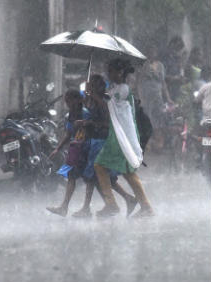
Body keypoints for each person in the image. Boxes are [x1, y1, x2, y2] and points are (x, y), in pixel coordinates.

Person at [94, 59, 154, 218]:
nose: (109, 74)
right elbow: (105, 100)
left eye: (112, 71)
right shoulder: (113, 87)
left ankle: (144, 207)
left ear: (120, 72)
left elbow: (108, 105)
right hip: (116, 135)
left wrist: (93, 95)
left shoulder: (125, 89)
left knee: (126, 171)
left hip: (123, 137)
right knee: (104, 166)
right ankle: (113, 203)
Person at [73, 74, 138, 218]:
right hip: (95, 140)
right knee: (100, 177)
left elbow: (108, 122)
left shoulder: (106, 100)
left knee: (93, 176)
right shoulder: (93, 100)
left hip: (102, 141)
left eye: (93, 85)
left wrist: (90, 123)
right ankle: (125, 199)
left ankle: (89, 208)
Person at [46, 89, 89, 217]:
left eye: (69, 100)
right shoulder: (69, 115)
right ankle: (65, 207)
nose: (67, 103)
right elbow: (68, 134)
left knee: (90, 179)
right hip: (75, 150)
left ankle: (86, 208)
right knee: (72, 176)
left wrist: (83, 126)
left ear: (77, 100)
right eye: (66, 101)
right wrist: (58, 148)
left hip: (86, 149)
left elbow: (91, 130)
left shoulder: (85, 114)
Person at [138, 46, 174, 152]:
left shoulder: (160, 66)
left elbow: (163, 83)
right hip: (146, 97)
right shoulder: (143, 65)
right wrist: (140, 97)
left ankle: (158, 143)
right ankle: (147, 143)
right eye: (150, 52)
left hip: (157, 97)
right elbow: (139, 82)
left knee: (158, 120)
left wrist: (168, 98)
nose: (152, 54)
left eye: (154, 52)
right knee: (147, 119)